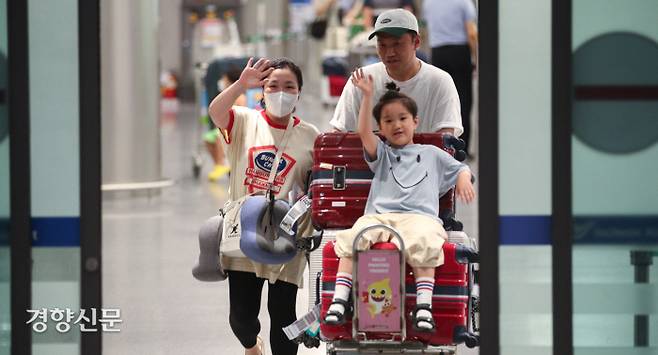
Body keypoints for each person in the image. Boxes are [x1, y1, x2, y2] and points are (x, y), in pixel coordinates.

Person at [323, 69, 475, 332]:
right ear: (381, 128)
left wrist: (463, 177)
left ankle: (424, 306)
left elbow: (460, 168)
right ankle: (339, 299)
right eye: (388, 121)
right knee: (353, 237)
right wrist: (367, 97)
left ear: (415, 121)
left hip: (420, 218)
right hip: (379, 217)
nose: (396, 125)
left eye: (402, 118)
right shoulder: (381, 153)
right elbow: (363, 131)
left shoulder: (433, 154)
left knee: (427, 241)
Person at [194, 57, 319, 355]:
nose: (281, 92)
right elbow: (215, 112)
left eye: (289, 86)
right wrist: (240, 84)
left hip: (288, 237)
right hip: (243, 233)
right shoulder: (244, 120)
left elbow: (318, 183)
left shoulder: (311, 136)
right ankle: (251, 345)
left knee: (283, 315)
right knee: (242, 317)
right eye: (273, 85)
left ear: (299, 92)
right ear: (262, 90)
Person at [330, 8, 463, 137]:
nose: (390, 53)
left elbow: (445, 140)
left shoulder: (439, 82)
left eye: (397, 44)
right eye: (382, 45)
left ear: (416, 42)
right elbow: (339, 132)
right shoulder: (361, 80)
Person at [423, 0, 478, 157]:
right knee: (463, 100)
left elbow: (427, 28)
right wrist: (476, 58)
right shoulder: (464, 2)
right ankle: (461, 148)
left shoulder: (429, 3)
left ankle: (442, 145)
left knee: (440, 100)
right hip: (459, 51)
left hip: (438, 52)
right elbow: (471, 33)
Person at [206, 66, 246, 181]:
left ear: (230, 81)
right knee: (208, 139)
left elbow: (240, 114)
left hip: (235, 127)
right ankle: (220, 165)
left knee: (220, 136)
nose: (222, 82)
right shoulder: (225, 95)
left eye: (224, 79)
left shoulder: (240, 97)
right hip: (224, 124)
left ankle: (221, 164)